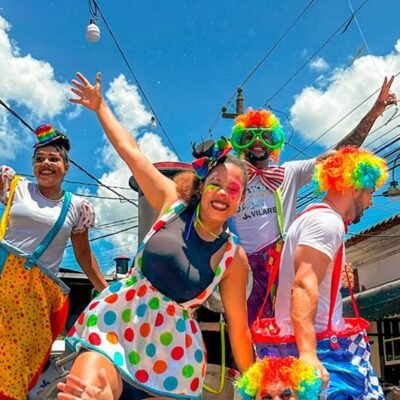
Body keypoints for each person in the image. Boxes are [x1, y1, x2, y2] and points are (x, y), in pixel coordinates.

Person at [57, 72, 253, 400]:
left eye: (233, 189)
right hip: (116, 327)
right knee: (85, 394)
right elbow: (131, 152)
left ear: (241, 200)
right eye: (216, 183)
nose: (223, 193)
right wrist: (100, 106)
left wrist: (255, 383)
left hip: (173, 358)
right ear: (203, 186)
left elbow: (239, 327)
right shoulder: (171, 203)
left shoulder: (234, 258)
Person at [228, 76, 397, 325]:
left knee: (287, 325)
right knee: (246, 329)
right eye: (248, 138)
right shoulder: (229, 180)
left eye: (266, 137)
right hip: (244, 266)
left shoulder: (289, 173)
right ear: (238, 143)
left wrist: (374, 111)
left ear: (276, 142)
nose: (257, 144)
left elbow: (337, 156)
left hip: (281, 262)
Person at [256, 146, 387, 399]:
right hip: (322, 352)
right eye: (370, 192)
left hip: (303, 346)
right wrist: (307, 354)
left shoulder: (309, 218)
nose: (370, 201)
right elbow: (304, 284)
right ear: (355, 186)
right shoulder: (326, 222)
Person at [0, 124, 108, 400]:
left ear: (66, 167)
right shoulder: (15, 187)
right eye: (39, 159)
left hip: (34, 300)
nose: (45, 164)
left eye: (53, 158)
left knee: (15, 368)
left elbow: (84, 255)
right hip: (3, 283)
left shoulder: (77, 208)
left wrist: (107, 292)